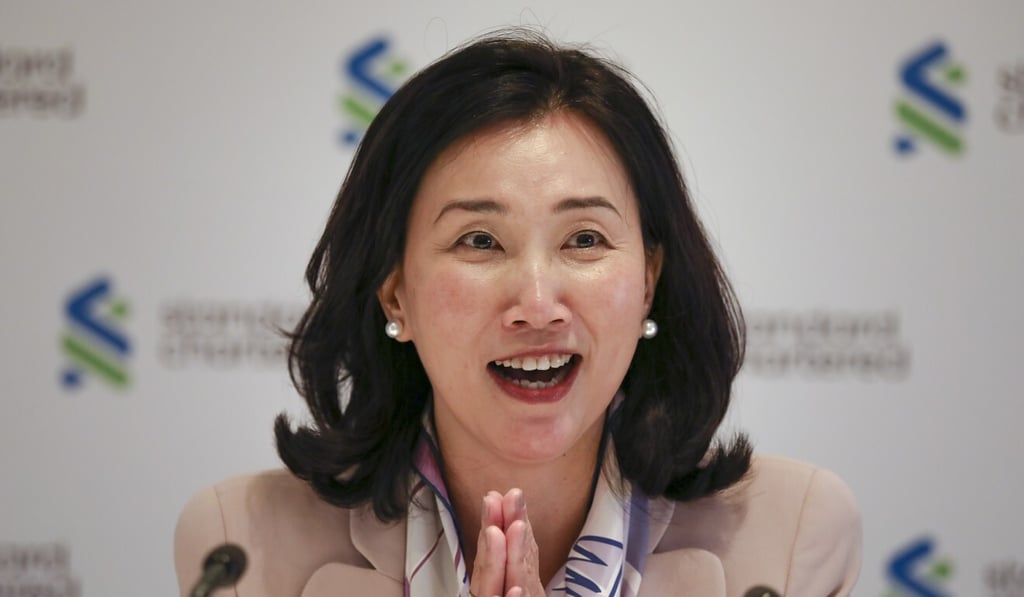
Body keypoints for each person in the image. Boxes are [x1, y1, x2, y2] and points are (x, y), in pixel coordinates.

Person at [174, 30, 861, 597]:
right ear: (395, 292)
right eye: (480, 241)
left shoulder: (790, 540)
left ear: (649, 279)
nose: (537, 303)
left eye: (584, 239)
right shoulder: (241, 551)